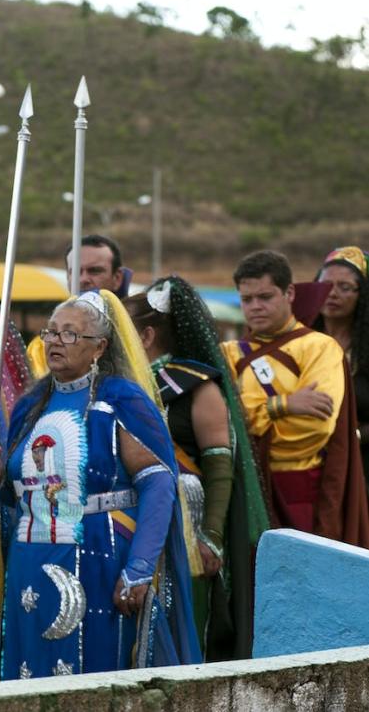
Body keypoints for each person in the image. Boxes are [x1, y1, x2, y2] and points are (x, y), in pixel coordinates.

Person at [0, 291, 201, 679]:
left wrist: (140, 568)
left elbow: (159, 484)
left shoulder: (121, 399)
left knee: (92, 668)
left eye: (70, 334)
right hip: (29, 561)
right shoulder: (32, 406)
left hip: (99, 558)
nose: (56, 341)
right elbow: (19, 494)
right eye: (52, 332)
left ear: (100, 347)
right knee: (28, 668)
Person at [124, 277, 270, 660]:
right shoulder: (118, 386)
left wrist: (212, 536)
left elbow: (220, 468)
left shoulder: (196, 386)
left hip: (185, 525)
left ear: (146, 336)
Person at [221, 250, 369, 546]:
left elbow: (310, 431)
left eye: (265, 297)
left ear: (289, 292)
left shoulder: (320, 348)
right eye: (247, 299)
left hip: (301, 495)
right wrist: (282, 405)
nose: (256, 307)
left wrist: (248, 421)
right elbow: (221, 425)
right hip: (244, 496)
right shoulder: (228, 353)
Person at [26, 234, 132, 377]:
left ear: (117, 278)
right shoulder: (42, 347)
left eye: (95, 271)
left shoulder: (137, 337)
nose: (83, 279)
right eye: (76, 272)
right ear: (68, 277)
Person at [313, 246, 369, 488]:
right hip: (305, 462)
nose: (332, 293)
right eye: (326, 285)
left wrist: (353, 437)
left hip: (363, 465)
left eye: (344, 287)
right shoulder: (297, 340)